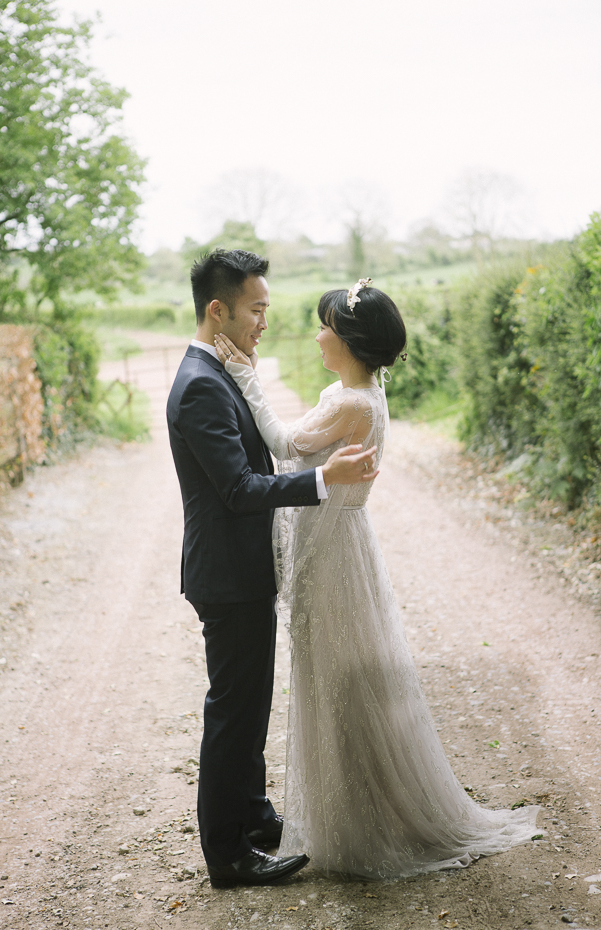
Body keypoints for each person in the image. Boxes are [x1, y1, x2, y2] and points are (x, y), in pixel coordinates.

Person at [214, 277, 541, 880]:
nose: (316, 336)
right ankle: (351, 808)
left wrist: (245, 377)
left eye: (324, 327)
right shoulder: (360, 392)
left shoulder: (350, 402)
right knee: (340, 678)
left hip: (333, 552)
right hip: (343, 544)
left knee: (336, 681)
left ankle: (359, 823)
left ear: (348, 339)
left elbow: (286, 444)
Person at [166, 250, 379, 889]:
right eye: (256, 309)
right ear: (217, 309)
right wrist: (323, 478)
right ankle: (228, 855)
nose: (264, 321)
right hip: (227, 577)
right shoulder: (202, 383)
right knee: (233, 712)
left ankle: (256, 818)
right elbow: (237, 488)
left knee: (252, 703)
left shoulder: (221, 367)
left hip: (243, 570)